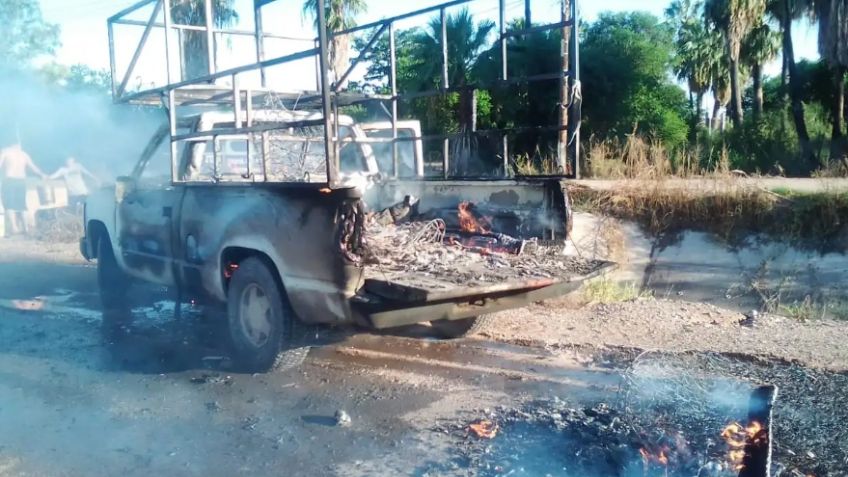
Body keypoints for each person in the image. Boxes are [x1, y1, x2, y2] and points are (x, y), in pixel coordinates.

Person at [0, 143, 46, 235]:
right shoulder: (23, 154)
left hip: (10, 180)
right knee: (22, 204)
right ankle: (26, 228)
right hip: (21, 180)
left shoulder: (5, 152)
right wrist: (42, 174)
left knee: (10, 204)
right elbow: (33, 167)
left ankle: (15, 228)